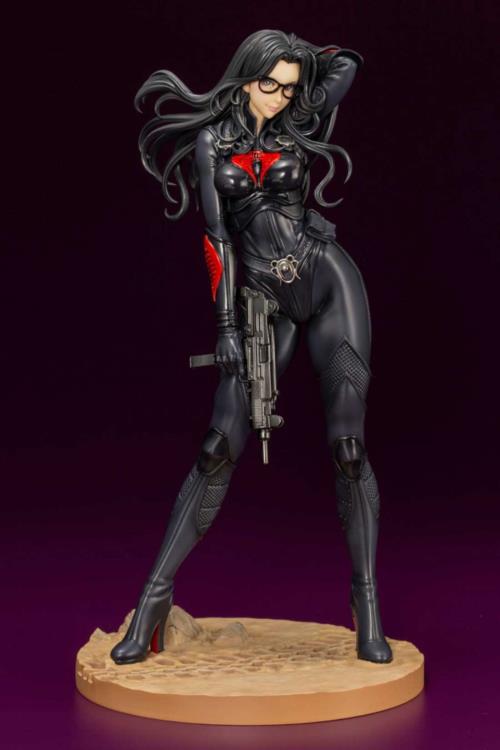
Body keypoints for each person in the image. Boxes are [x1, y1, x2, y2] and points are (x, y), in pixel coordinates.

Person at [111, 29, 393, 666]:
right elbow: (217, 239)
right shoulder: (214, 141)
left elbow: (348, 62)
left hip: (327, 281)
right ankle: (153, 600)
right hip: (260, 297)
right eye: (269, 83)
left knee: (348, 450)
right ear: (244, 75)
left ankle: (367, 603)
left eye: (290, 88)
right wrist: (226, 327)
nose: (279, 97)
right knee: (219, 447)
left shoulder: (299, 120)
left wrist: (301, 58)